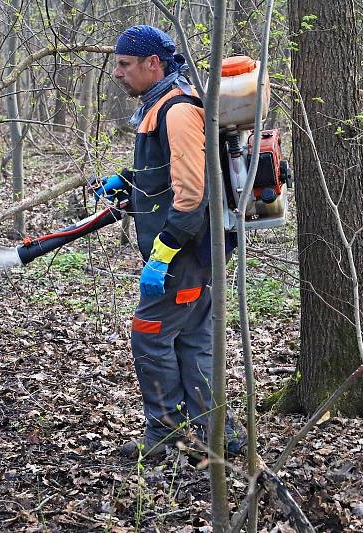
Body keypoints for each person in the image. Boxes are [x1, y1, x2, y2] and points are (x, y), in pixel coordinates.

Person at [92, 25, 245, 459]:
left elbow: (192, 196)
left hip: (184, 253)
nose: (118, 73)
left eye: (124, 64)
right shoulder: (161, 104)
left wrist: (162, 255)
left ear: (152, 64)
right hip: (197, 253)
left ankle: (164, 431)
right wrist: (126, 179)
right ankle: (217, 433)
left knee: (150, 334)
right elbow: (167, 174)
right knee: (193, 339)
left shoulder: (176, 110)